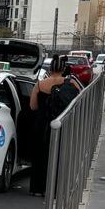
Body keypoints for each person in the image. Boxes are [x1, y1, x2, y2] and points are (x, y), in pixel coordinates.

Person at [26, 56, 79, 197]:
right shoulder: (71, 83)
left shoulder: (39, 84)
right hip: (62, 123)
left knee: (40, 156)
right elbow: (80, 100)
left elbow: (33, 106)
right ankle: (56, 189)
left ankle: (38, 188)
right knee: (60, 155)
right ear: (63, 68)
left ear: (50, 69)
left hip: (42, 124)